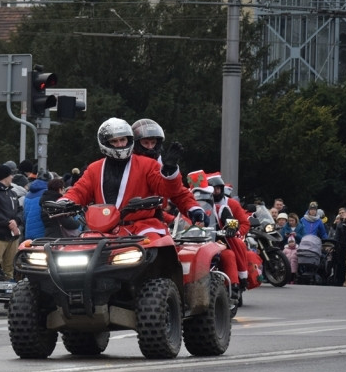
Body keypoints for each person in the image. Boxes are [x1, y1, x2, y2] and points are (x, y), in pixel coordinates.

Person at [63, 118, 204, 240]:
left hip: (144, 227)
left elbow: (173, 190)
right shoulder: (95, 168)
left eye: (123, 140)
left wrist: (170, 170)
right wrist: (63, 203)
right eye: (114, 141)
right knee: (81, 252)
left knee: (160, 249)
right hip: (104, 230)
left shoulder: (152, 164)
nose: (120, 145)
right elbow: (79, 191)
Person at [208, 174, 259, 291]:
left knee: (232, 251)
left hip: (227, 239)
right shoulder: (201, 205)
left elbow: (242, 223)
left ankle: (237, 284)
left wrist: (234, 232)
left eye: (218, 188)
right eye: (212, 189)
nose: (215, 191)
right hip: (205, 240)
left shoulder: (230, 205)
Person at [22, 172, 49, 240]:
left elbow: (24, 216)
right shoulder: (47, 194)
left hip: (28, 233)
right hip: (42, 233)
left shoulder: (28, 194)